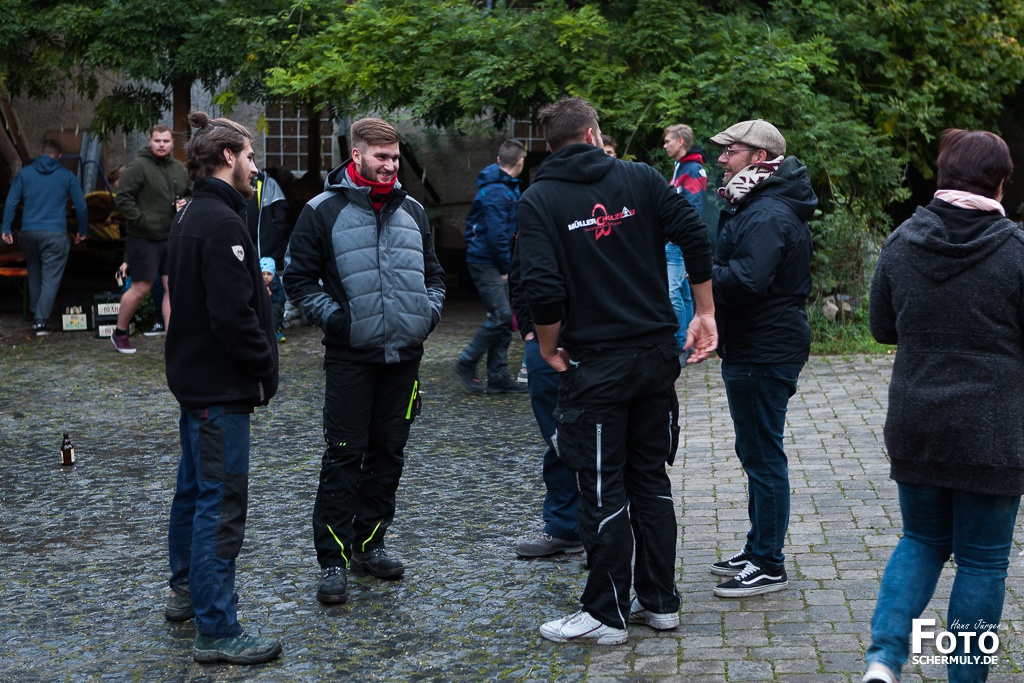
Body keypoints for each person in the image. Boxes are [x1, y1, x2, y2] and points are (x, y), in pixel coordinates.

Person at [516, 97, 717, 645]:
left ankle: (606, 614)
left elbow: (541, 285)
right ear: (592, 133)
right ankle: (659, 601)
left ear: (551, 145)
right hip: (655, 358)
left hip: (597, 365)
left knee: (603, 487)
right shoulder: (642, 178)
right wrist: (704, 312)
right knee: (650, 479)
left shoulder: (538, 199)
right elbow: (695, 233)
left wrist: (549, 346)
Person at [862, 129, 1024, 683]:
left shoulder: (902, 241)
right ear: (999, 182)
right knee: (982, 560)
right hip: (993, 430)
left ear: (944, 176)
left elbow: (882, 326)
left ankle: (884, 660)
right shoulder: (1016, 251)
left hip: (918, 419)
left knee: (922, 540)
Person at [283, 117, 446, 605]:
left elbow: (435, 276)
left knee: (389, 453)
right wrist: (340, 322)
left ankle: (370, 544)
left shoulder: (413, 210)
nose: (391, 165)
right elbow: (298, 280)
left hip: (404, 357)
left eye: (395, 157)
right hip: (350, 357)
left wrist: (427, 315)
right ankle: (332, 561)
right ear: (357, 156)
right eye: (381, 157)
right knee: (344, 455)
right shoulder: (322, 210)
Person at [164, 111, 281, 665]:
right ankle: (216, 627)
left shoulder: (194, 213)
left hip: (198, 385)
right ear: (228, 157)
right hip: (218, 391)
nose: (256, 168)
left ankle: (188, 591)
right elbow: (233, 316)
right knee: (219, 501)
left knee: (194, 491)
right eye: (250, 157)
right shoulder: (218, 221)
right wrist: (263, 367)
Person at [708, 119, 816, 598]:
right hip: (756, 344)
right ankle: (757, 548)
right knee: (755, 452)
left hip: (764, 348)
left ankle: (768, 563)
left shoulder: (767, 212)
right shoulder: (756, 204)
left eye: (731, 151)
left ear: (758, 158)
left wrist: (704, 274)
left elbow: (747, 281)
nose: (721, 158)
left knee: (763, 457)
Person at [509, 244, 582, 559]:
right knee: (558, 438)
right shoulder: (536, 217)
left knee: (607, 436)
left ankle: (606, 532)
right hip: (543, 344)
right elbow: (520, 276)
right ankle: (565, 526)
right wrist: (530, 334)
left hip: (600, 340)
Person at [454, 140, 528, 395]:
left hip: (489, 259)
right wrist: (504, 267)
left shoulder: (503, 187)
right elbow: (497, 235)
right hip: (487, 261)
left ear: (498, 160)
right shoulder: (498, 191)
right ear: (521, 161)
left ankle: (498, 378)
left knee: (503, 321)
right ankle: (467, 361)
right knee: (501, 317)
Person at [111, 124, 191, 353]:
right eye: (157, 141)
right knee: (141, 287)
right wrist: (142, 220)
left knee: (171, 287)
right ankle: (120, 333)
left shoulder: (179, 169)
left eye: (165, 141)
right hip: (144, 238)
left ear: (172, 143)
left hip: (171, 238)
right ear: (150, 142)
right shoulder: (138, 167)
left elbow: (190, 192)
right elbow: (123, 198)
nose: (161, 145)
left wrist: (184, 201)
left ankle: (173, 340)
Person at [2, 139, 89, 335]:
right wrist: (82, 230)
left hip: (29, 233)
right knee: (51, 279)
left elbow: (11, 201)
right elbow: (81, 206)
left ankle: (36, 314)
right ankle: (41, 321)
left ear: (41, 154)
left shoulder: (24, 174)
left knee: (34, 272)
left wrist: (6, 228)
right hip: (55, 234)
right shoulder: (67, 175)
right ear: (60, 156)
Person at [663, 124, 707, 362]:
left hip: (679, 240)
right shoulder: (680, 166)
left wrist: (678, 235)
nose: (665, 145)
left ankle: (681, 346)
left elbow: (693, 207)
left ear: (680, 142)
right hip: (672, 238)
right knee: (682, 292)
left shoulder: (694, 169)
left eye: (668, 141)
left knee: (672, 292)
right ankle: (691, 341)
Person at [247, 169, 289, 264]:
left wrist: (275, 236)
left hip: (267, 251)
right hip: (241, 245)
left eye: (251, 160)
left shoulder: (269, 183)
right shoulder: (234, 182)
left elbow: (281, 211)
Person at [260, 256, 286, 343]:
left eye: (269, 274)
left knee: (276, 311)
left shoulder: (277, 285)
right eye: (263, 274)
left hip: (274, 305)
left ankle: (276, 330)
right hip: (262, 306)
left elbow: (282, 298)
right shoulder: (259, 285)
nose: (266, 277)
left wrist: (271, 296)